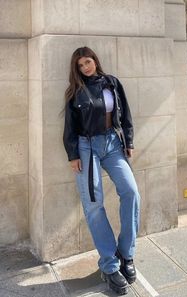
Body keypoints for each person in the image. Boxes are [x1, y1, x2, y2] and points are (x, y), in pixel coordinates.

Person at [63, 46, 140, 295]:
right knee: (94, 203)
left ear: (95, 60)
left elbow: (125, 114)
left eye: (88, 62)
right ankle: (109, 264)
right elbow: (70, 127)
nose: (86, 67)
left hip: (112, 144)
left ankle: (126, 254)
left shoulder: (112, 83)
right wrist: (73, 153)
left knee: (131, 192)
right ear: (77, 69)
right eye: (81, 65)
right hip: (87, 148)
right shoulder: (75, 92)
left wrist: (128, 141)